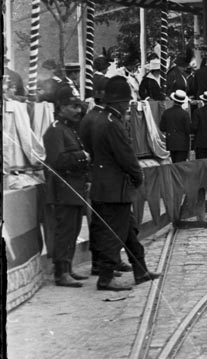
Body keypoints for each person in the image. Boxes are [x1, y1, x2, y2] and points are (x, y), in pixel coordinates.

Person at [78, 76, 160, 292]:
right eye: (127, 102)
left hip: (103, 184)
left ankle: (140, 269)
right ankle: (105, 278)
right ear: (121, 102)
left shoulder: (97, 118)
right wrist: (138, 176)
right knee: (113, 232)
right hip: (116, 187)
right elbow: (126, 156)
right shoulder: (113, 124)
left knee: (128, 231)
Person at [43, 87, 91, 287]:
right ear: (61, 107)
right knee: (65, 230)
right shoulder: (55, 130)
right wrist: (82, 156)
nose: (78, 111)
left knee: (74, 230)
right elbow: (57, 161)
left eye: (78, 106)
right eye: (73, 106)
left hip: (75, 187)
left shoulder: (69, 129)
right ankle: (61, 273)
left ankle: (68, 267)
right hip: (64, 189)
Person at [160, 89, 192, 162]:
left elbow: (162, 128)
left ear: (173, 100)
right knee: (181, 164)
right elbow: (188, 130)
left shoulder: (167, 112)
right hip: (183, 143)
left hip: (171, 141)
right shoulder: (185, 114)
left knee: (174, 163)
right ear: (182, 102)